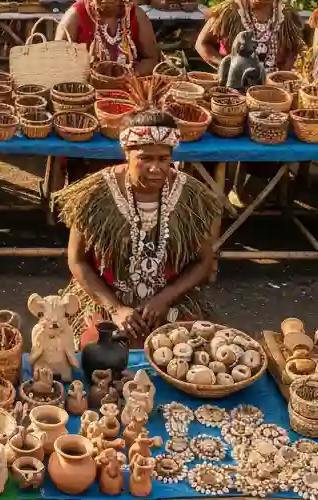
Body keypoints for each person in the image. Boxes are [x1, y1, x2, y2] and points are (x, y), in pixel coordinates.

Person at [54, 109, 217, 342]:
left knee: (185, 356)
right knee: (97, 356)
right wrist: (115, 309)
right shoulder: (94, 194)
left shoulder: (191, 195)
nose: (155, 168)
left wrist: (165, 298)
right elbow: (76, 260)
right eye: (145, 158)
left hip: (169, 304)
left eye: (163, 158)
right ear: (127, 153)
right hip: (106, 301)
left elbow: (204, 261)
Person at [196, 0, 304, 72]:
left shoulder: (286, 13)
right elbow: (202, 44)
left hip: (274, 83)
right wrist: (226, 67)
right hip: (235, 83)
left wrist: (282, 74)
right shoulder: (230, 10)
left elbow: (293, 48)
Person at [56, 0, 159, 74]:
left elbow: (151, 59)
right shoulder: (75, 15)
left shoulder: (136, 15)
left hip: (129, 87)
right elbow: (59, 61)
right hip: (86, 88)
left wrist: (131, 75)